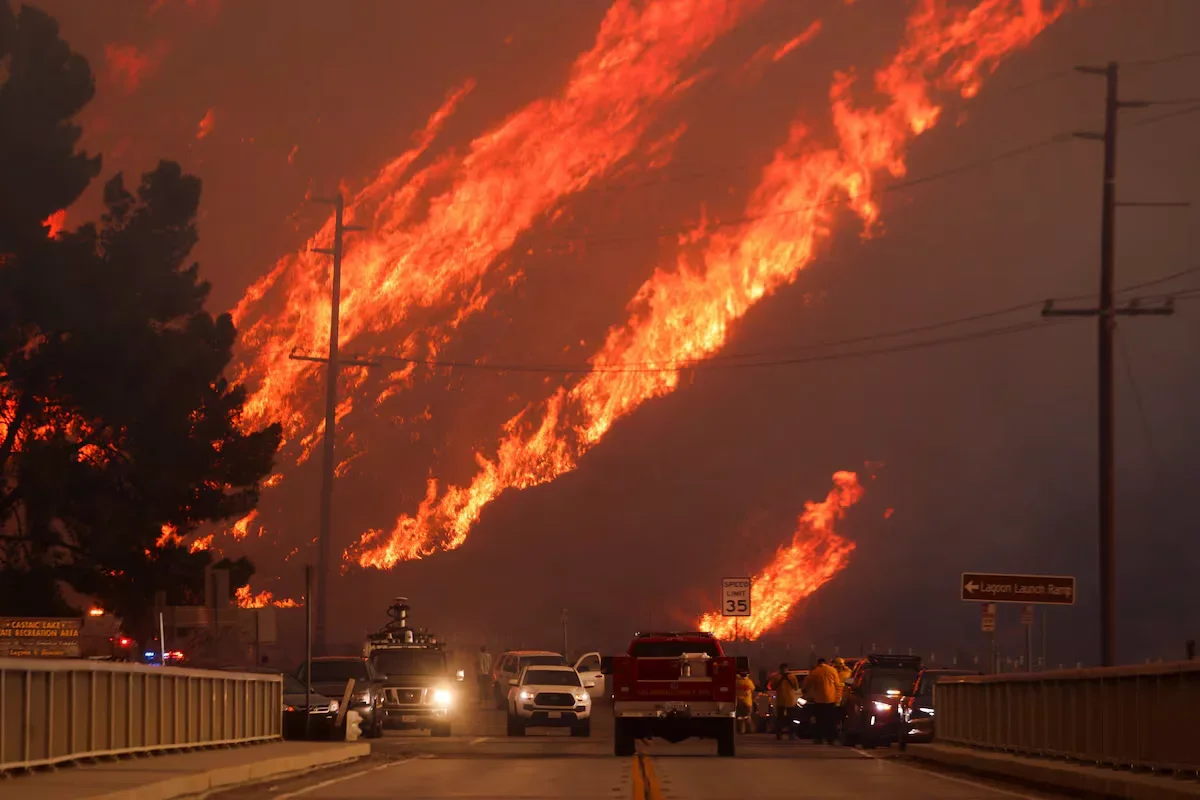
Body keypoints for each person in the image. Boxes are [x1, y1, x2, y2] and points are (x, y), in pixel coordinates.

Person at [802, 657, 841, 744]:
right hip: (831, 699)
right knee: (831, 720)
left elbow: (808, 685)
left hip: (819, 700)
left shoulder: (815, 672)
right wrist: (838, 698)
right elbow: (838, 685)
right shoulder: (832, 670)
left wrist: (805, 692)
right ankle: (831, 738)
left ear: (818, 663)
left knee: (819, 720)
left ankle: (819, 738)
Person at [767, 663, 800, 740]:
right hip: (790, 700)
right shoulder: (792, 676)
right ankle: (791, 735)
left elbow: (772, 687)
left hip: (780, 700)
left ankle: (778, 734)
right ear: (787, 668)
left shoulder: (776, 677)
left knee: (780, 718)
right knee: (791, 718)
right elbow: (796, 687)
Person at [735, 670, 755, 734]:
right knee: (747, 716)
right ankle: (750, 730)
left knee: (739, 717)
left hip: (738, 701)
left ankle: (741, 730)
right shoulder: (749, 682)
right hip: (747, 702)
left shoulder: (736, 682)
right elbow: (753, 688)